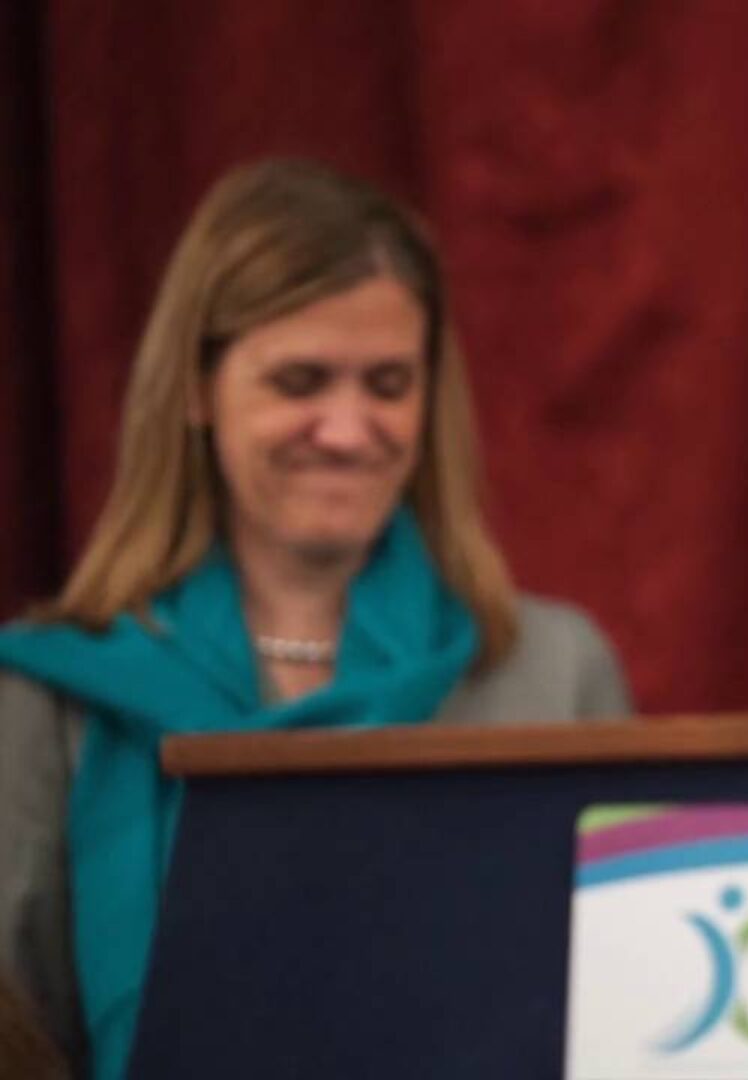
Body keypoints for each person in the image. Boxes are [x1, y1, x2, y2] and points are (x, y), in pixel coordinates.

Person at [0, 158, 632, 1077]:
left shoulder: (552, 669)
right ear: (195, 390)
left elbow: (622, 1018)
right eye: (299, 382)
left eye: (386, 384)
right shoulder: (50, 700)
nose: (346, 429)